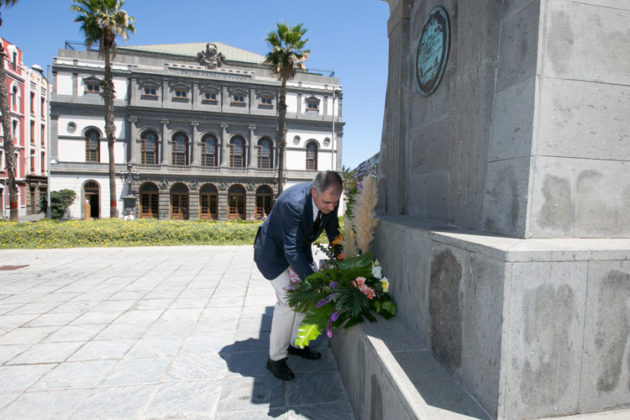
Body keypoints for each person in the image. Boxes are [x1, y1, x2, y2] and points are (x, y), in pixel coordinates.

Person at [254, 171, 343, 380]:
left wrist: (342, 258)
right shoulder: (292, 203)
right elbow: (290, 250)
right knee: (289, 302)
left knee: (306, 298)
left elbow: (333, 231)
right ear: (314, 193)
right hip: (273, 253)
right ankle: (275, 359)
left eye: (335, 203)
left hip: (298, 252)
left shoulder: (331, 197)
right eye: (327, 203)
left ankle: (296, 344)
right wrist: (316, 282)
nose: (331, 208)